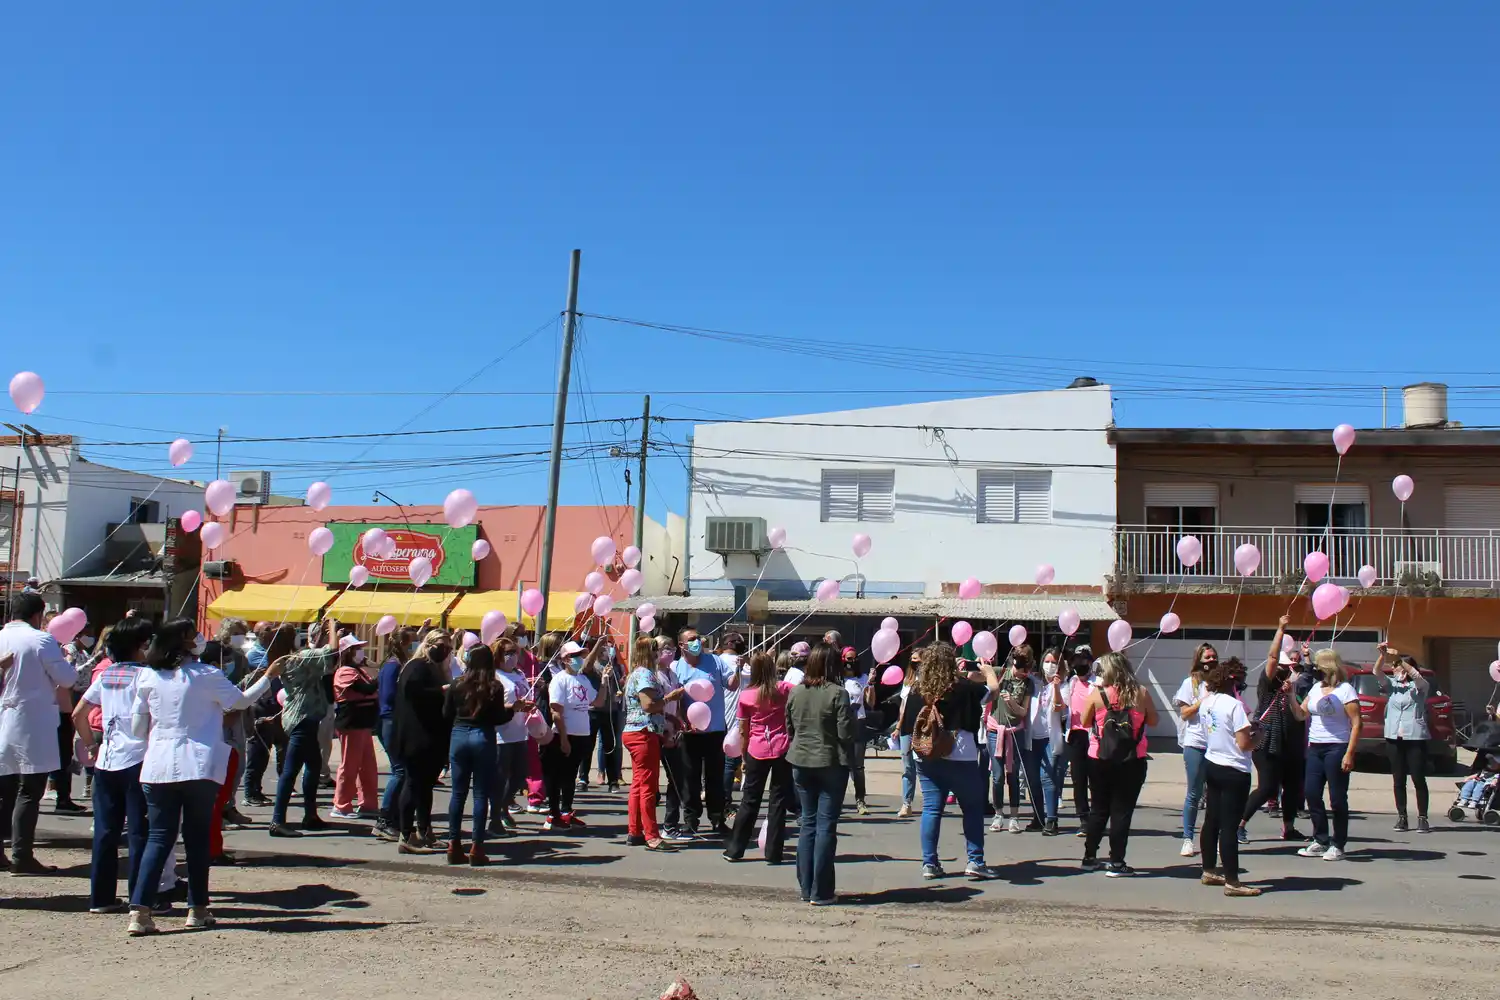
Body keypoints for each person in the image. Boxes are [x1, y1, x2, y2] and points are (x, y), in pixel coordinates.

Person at [125, 618, 280, 936]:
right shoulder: (205, 675)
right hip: (198, 765)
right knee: (196, 840)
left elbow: (138, 729)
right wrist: (268, 677)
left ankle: (140, 912)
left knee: (159, 838)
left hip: (157, 765)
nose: (199, 638)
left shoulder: (148, 676)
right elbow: (240, 701)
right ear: (183, 642)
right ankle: (197, 909)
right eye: (193, 634)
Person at [70, 616, 154, 911]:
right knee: (140, 833)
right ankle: (140, 898)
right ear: (141, 646)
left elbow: (78, 714)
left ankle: (101, 898)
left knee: (106, 832)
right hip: (140, 760)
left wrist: (91, 745)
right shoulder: (148, 676)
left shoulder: (106, 675)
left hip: (106, 759)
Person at [900, 642, 1002, 881]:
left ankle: (929, 863)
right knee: (972, 808)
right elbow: (993, 692)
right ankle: (975, 861)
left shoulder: (916, 689)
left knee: (932, 809)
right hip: (961, 755)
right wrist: (988, 673)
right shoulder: (965, 687)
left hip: (926, 756)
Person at [0, 593, 78, 874]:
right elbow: (67, 679)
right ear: (37, 615)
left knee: (4, 790)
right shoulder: (41, 640)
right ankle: (22, 854)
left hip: (3, 719)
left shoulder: (1, 637)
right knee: (30, 790)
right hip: (33, 721)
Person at [786, 643, 855, 904]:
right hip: (830, 763)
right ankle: (821, 890)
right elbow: (845, 733)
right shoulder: (838, 693)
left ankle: (806, 887)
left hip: (801, 762)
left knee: (808, 825)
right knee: (825, 827)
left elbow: (789, 726)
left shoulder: (796, 692)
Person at [1080, 651, 1159, 877]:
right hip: (1132, 758)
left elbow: (1085, 721)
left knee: (1098, 809)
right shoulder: (1141, 693)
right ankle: (1116, 862)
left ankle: (1089, 856)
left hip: (1099, 757)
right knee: (1122, 811)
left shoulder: (1097, 695)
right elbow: (1153, 720)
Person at [268, 618, 338, 837]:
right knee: (291, 771)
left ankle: (310, 815)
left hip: (302, 718)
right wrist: (334, 629)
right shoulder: (298, 658)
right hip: (302, 719)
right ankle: (277, 820)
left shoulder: (286, 659)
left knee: (313, 766)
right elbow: (330, 654)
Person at [1238, 617, 1306, 844]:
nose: (1287, 671)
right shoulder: (1267, 687)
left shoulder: (1292, 689)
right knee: (1267, 788)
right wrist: (1280, 629)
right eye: (1284, 667)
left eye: (1289, 668)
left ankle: (1289, 828)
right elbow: (1272, 656)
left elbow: (1300, 713)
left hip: (1291, 746)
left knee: (1292, 788)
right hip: (1268, 744)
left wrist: (1291, 692)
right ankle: (1239, 825)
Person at [443, 643, 512, 865]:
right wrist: (512, 711)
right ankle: (476, 846)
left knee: (458, 793)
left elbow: (446, 713)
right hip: (483, 735)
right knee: (481, 794)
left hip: (459, 734)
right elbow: (499, 718)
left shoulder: (457, 684)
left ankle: (453, 844)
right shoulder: (493, 686)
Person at [1290, 649, 1362, 861]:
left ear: (1328, 667)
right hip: (1315, 747)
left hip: (1337, 746)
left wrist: (1349, 753)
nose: (1315, 670)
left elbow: (1357, 724)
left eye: (1318, 666)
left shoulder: (1346, 690)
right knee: (1311, 793)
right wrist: (1291, 695)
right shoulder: (1315, 688)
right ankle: (1320, 839)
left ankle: (1338, 844)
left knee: (1337, 798)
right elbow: (1301, 714)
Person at [1197, 660, 1261, 897]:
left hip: (1213, 763)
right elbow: (1244, 744)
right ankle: (1233, 882)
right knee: (1229, 827)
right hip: (1234, 769)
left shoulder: (1207, 703)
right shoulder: (1234, 706)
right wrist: (1259, 736)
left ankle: (1209, 869)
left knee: (1212, 819)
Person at [724, 651, 795, 863]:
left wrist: (744, 757)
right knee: (778, 801)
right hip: (782, 747)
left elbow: (743, 730)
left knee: (750, 800)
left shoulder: (746, 695)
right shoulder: (783, 689)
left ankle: (735, 849)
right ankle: (774, 853)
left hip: (756, 748)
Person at [670, 626, 739, 837]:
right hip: (690, 733)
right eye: (691, 639)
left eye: (698, 638)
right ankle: (691, 820)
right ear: (681, 645)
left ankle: (717, 818)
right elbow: (676, 700)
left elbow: (731, 685)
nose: (697, 642)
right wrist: (681, 721)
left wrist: (738, 670)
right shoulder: (676, 668)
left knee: (714, 778)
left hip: (715, 729)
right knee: (690, 779)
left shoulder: (715, 661)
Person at [391, 629, 453, 853]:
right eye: (441, 645)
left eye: (448, 646)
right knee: (413, 783)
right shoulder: (416, 666)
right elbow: (413, 693)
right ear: (428, 644)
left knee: (426, 786)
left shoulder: (435, 669)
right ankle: (406, 835)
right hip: (415, 736)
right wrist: (441, 690)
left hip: (432, 736)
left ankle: (424, 830)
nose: (445, 650)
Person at [621, 635, 682, 851]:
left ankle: (635, 830)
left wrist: (669, 719)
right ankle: (651, 835)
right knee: (648, 786)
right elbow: (648, 705)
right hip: (643, 732)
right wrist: (669, 698)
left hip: (638, 731)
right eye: (656, 650)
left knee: (638, 785)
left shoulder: (636, 674)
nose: (659, 654)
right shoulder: (645, 674)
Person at [1374, 643, 1431, 833]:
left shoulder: (1420, 686)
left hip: (1414, 737)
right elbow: (1377, 672)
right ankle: (1402, 817)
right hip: (1394, 737)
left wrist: (1402, 661)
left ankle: (1422, 818)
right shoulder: (1393, 686)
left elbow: (1418, 677)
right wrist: (1383, 656)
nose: (1394, 670)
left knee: (1418, 778)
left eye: (1397, 667)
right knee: (1398, 779)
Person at [1173, 642, 1217, 858]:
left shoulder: (1221, 682)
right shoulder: (1190, 683)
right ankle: (1188, 838)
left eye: (1213, 657)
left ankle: (1212, 838)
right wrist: (1202, 701)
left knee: (1215, 795)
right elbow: (1184, 713)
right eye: (1207, 657)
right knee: (1194, 793)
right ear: (1199, 660)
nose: (1211, 661)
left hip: (1218, 745)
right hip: (1196, 744)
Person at [241, 625, 294, 808]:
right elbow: (255, 685)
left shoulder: (281, 656)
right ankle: (250, 792)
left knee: (274, 750)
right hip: (260, 709)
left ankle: (258, 790)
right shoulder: (259, 656)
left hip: (275, 708)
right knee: (257, 753)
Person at [330, 634, 380, 820]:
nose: (361, 651)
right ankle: (341, 805)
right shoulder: (345, 671)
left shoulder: (359, 670)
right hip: (351, 723)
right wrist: (382, 675)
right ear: (348, 652)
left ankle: (368, 803)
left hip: (364, 723)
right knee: (350, 765)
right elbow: (365, 689)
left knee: (367, 765)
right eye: (356, 648)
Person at [491, 631, 535, 835]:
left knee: (519, 775)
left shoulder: (518, 673)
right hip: (501, 734)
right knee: (500, 776)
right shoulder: (495, 676)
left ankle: (503, 805)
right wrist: (513, 706)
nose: (513, 656)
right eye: (508, 653)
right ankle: (499, 812)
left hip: (521, 731)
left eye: (514, 652)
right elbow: (492, 704)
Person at [986, 646, 1032, 833]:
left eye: (1026, 667)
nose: (1022, 671)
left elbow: (1023, 712)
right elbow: (979, 676)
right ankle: (998, 814)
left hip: (1015, 732)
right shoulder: (1001, 673)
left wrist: (1011, 702)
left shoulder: (1028, 683)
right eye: (1020, 665)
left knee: (1012, 776)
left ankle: (1014, 816)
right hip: (995, 731)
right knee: (997, 777)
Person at [373, 627, 411, 841]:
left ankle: (393, 817)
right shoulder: (392, 666)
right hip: (390, 721)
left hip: (391, 720)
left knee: (402, 770)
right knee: (399, 770)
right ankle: (385, 819)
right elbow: (388, 698)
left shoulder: (395, 664)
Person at [1033, 647, 1069, 836]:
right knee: (1033, 779)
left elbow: (1059, 708)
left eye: (1053, 662)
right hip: (1032, 737)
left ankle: (1052, 819)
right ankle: (1038, 817)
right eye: (1046, 662)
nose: (1049, 665)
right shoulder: (1035, 682)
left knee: (1047, 777)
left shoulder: (1064, 686)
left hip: (1050, 737)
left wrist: (1055, 687)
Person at [839, 646, 877, 815]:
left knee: (858, 766)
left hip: (858, 724)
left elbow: (870, 703)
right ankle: (836, 800)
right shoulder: (837, 680)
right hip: (840, 725)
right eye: (848, 658)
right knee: (840, 765)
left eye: (854, 658)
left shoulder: (862, 678)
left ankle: (860, 800)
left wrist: (870, 684)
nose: (851, 662)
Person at [1061, 645, 1095, 833]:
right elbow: (1062, 703)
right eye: (1076, 661)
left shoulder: (1097, 683)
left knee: (1095, 779)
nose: (1080, 665)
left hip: (1093, 736)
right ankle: (1083, 818)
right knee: (1078, 779)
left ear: (1090, 662)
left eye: (1083, 661)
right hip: (1075, 735)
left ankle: (1097, 817)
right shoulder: (1072, 682)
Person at [719, 632, 749, 808]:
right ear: (731, 643)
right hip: (735, 720)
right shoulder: (741, 666)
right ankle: (725, 801)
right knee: (730, 762)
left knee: (723, 763)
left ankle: (720, 798)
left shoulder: (716, 661)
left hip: (716, 719)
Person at [895, 649, 921, 818]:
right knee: (907, 766)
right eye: (912, 660)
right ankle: (907, 803)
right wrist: (898, 726)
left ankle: (933, 800)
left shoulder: (929, 680)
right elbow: (903, 705)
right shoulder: (908, 680)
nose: (915, 663)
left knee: (925, 765)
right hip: (907, 727)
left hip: (924, 727)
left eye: (918, 660)